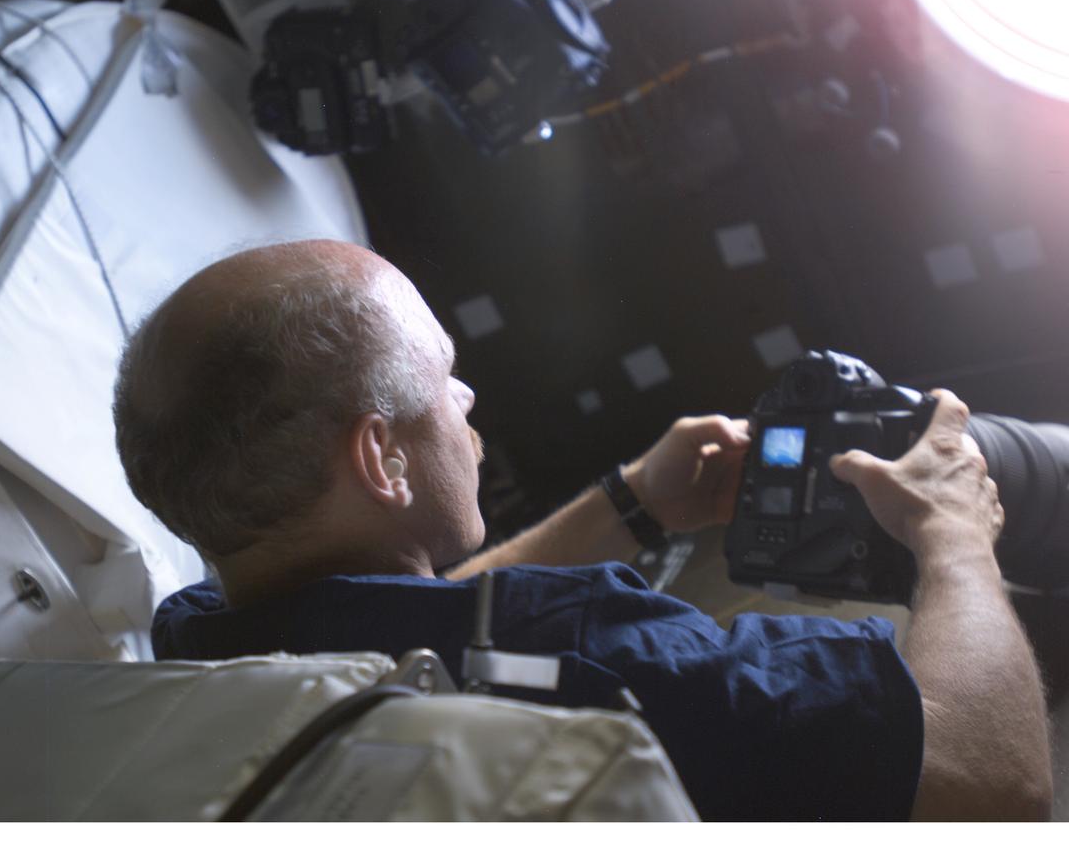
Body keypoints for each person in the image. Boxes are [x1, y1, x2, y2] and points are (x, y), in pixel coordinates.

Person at [113, 239, 1052, 821]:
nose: (466, 398)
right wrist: (954, 535)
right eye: (442, 378)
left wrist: (635, 500)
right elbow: (986, 782)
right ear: (383, 461)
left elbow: (411, 628)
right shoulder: (609, 661)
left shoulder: (201, 634)